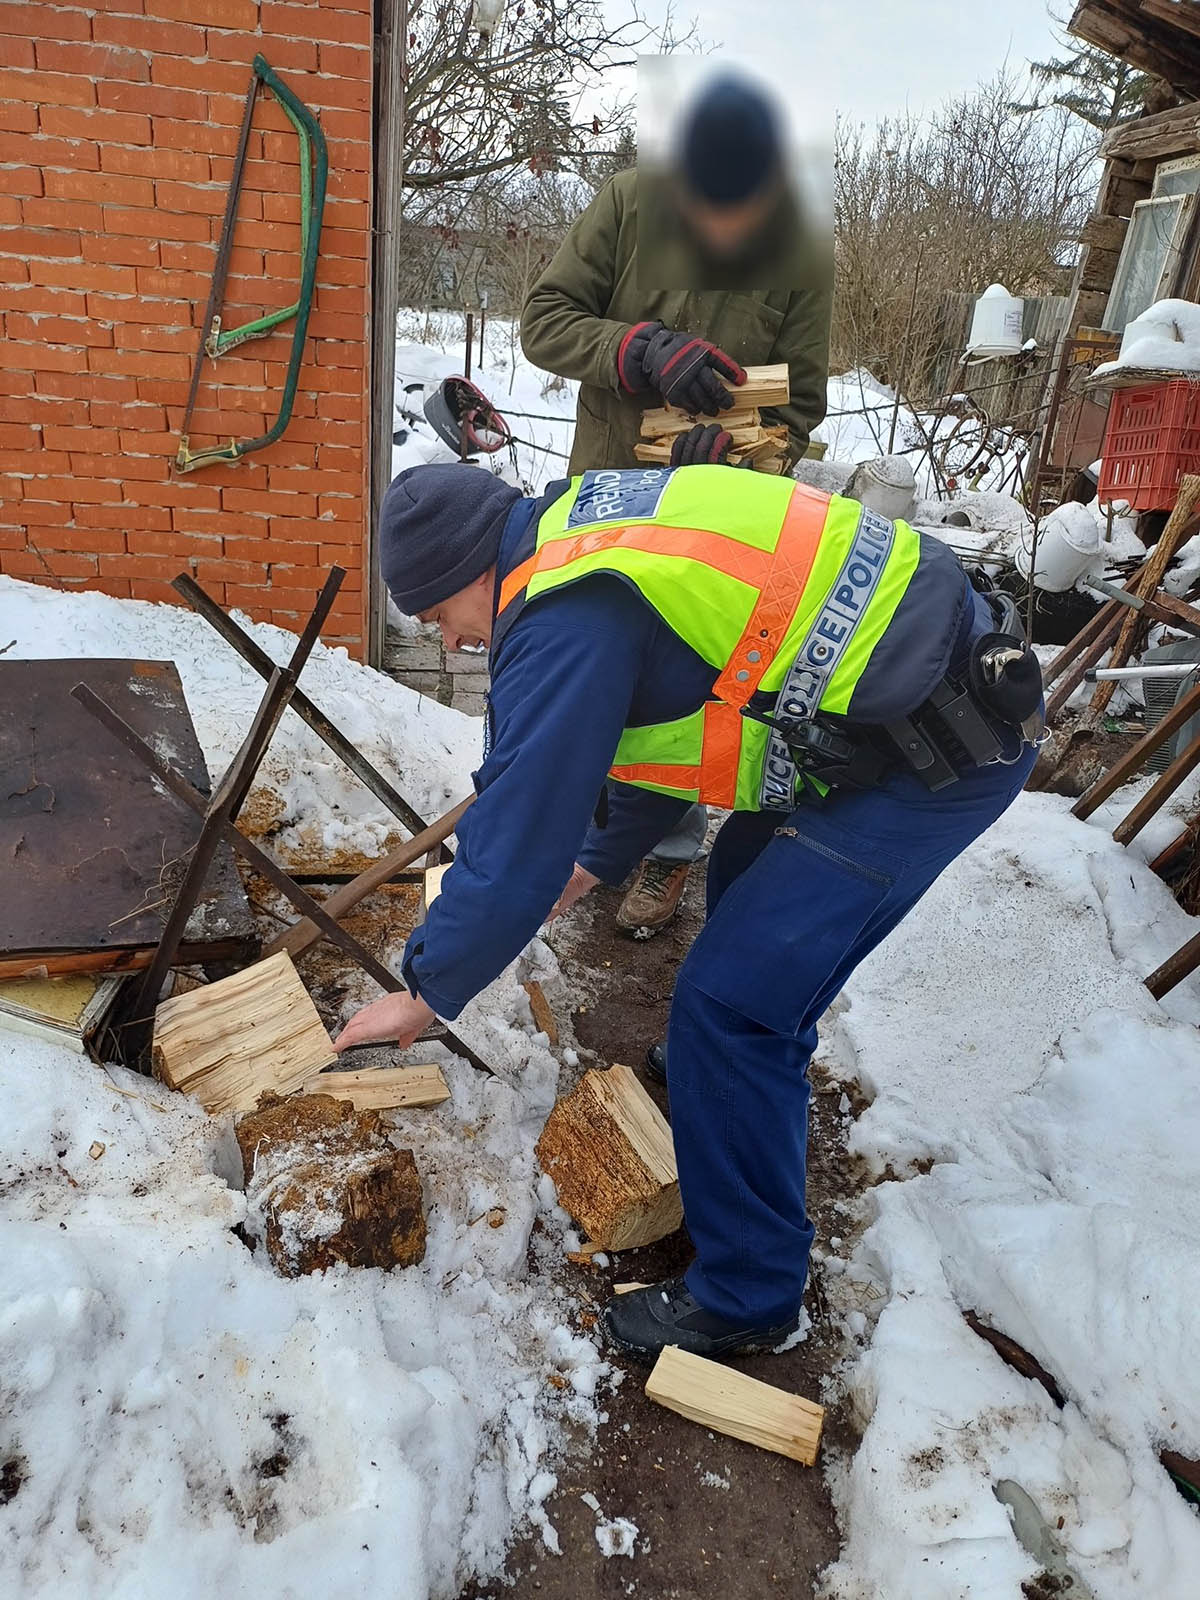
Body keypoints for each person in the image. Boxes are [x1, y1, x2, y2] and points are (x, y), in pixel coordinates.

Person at [334, 460, 1043, 1361]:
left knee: (730, 1004)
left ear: (475, 570)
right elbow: (672, 716)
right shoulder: (586, 539)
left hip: (936, 752)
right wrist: (597, 861)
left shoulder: (561, 616)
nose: (453, 642)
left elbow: (518, 826)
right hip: (893, 709)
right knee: (745, 882)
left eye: (440, 615)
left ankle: (751, 1293)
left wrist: (426, 990)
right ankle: (729, 1083)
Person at [519, 71, 833, 938]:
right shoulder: (628, 204)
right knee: (582, 654)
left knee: (685, 674)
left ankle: (668, 847)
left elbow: (800, 405)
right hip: (603, 495)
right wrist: (637, 348)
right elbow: (544, 321)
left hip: (711, 513)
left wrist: (737, 458)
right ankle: (577, 826)